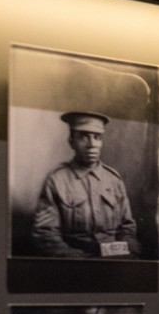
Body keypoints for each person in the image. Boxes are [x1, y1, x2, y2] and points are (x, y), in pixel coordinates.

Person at [32, 108, 139, 259]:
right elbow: (46, 233)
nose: (91, 144)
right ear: (71, 142)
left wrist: (130, 256)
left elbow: (127, 228)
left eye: (97, 137)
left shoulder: (114, 180)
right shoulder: (56, 180)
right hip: (74, 262)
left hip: (115, 260)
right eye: (83, 137)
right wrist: (79, 260)